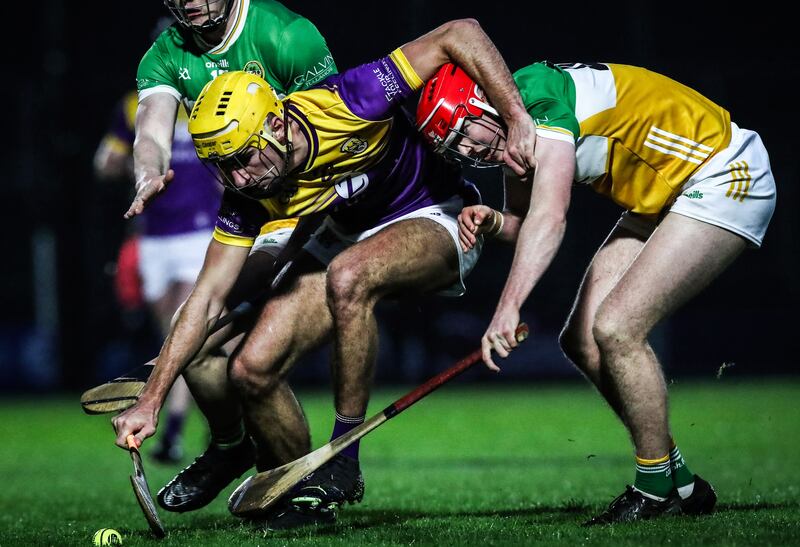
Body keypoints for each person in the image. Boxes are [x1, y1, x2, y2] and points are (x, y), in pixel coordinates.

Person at [112, 18, 536, 530]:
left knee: (349, 276)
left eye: (243, 159)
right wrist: (152, 401)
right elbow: (204, 300)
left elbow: (460, 33)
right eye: (223, 168)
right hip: (345, 235)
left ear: (275, 125)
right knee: (251, 369)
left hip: (436, 215)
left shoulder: (351, 99)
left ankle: (343, 459)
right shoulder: (246, 192)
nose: (239, 178)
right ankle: (298, 490)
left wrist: (515, 118)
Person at [417, 61, 776, 523]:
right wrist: (491, 221)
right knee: (582, 339)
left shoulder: (539, 102)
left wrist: (508, 307)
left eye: (466, 132)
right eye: (458, 148)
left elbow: (551, 218)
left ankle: (653, 491)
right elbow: (524, 224)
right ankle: (680, 481)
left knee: (617, 329)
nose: (471, 151)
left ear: (483, 102)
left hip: (724, 171)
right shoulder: (516, 133)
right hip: (666, 194)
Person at [116, 0, 339, 512]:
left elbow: (332, 126)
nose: (188, 2)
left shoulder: (287, 36)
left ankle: (303, 488)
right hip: (249, 213)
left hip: (322, 213)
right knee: (193, 328)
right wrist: (148, 170)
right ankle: (230, 445)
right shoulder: (165, 55)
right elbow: (150, 131)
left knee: (250, 362)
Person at [94, 85, 223, 464]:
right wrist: (120, 164)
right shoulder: (134, 105)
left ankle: (173, 429)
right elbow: (106, 160)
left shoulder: (209, 97)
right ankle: (219, 423)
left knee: (178, 329)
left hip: (200, 230)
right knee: (171, 337)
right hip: (153, 236)